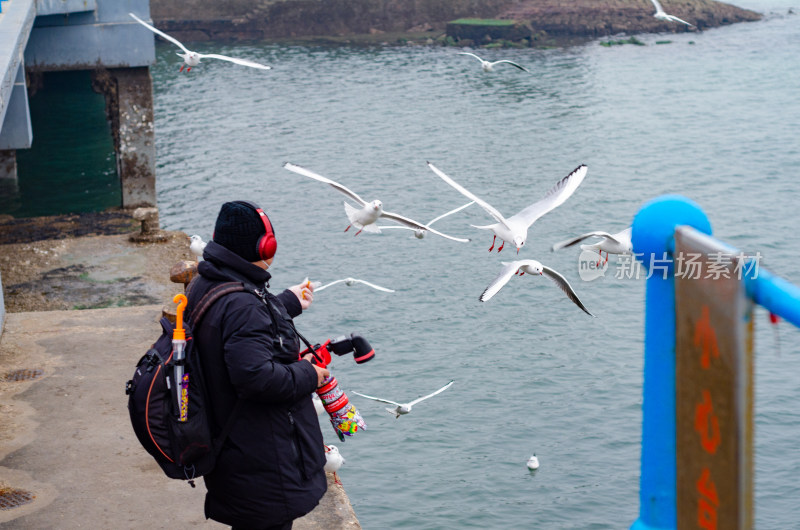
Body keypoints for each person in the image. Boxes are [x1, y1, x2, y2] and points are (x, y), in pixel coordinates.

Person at [185, 200, 329, 530]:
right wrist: (309, 373)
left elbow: (233, 326)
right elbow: (256, 378)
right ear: (265, 246)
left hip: (232, 447)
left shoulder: (207, 283)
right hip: (260, 457)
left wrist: (286, 303)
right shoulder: (241, 303)